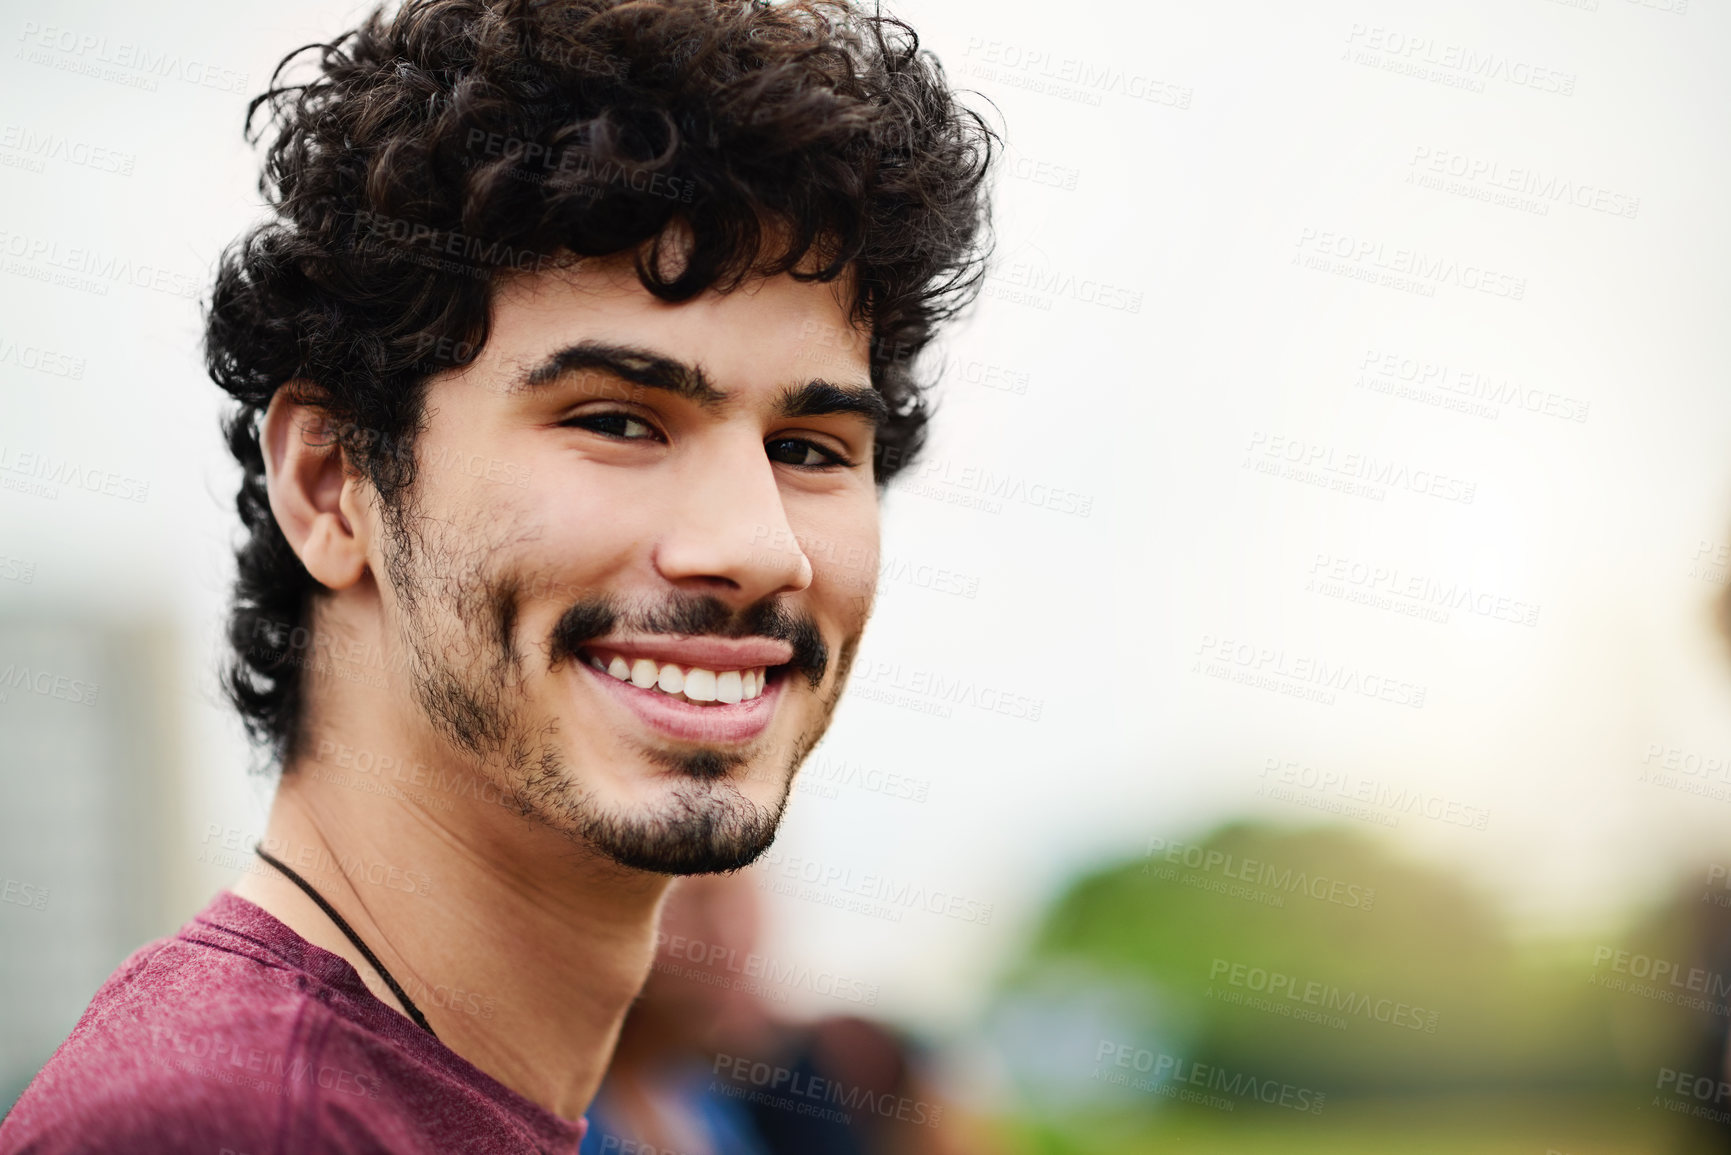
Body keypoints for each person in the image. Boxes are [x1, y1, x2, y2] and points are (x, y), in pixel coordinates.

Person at [0, 0, 993, 1149]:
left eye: (810, 449)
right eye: (619, 420)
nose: (760, 546)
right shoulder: (239, 1126)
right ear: (332, 487)